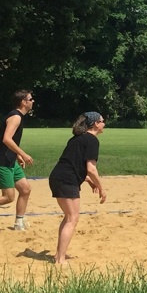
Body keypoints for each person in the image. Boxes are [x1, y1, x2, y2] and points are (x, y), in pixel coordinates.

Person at [49, 112, 107, 265]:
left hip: (58, 177)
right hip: (66, 180)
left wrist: (87, 180)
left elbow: (72, 164)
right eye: (102, 121)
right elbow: (91, 169)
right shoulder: (92, 140)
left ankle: (58, 255)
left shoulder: (76, 139)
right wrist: (102, 188)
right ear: (95, 124)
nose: (104, 124)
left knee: (69, 217)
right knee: (72, 219)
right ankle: (60, 259)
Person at [1, 90, 35, 230]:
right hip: (2, 161)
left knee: (25, 189)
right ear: (23, 102)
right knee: (8, 197)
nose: (33, 101)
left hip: (10, 160)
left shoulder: (17, 116)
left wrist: (17, 155)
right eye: (30, 99)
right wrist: (23, 153)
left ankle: (19, 223)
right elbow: (6, 139)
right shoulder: (16, 117)